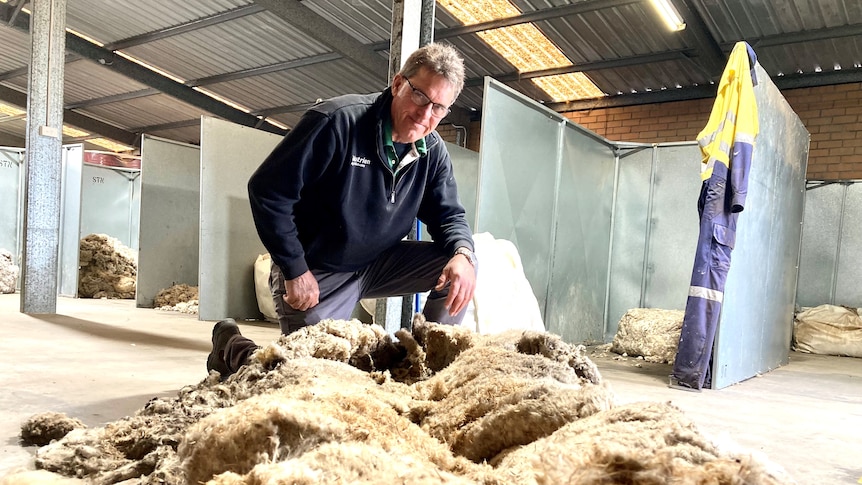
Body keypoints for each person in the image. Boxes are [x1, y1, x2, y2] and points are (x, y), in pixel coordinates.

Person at [207, 43, 477, 379]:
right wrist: (294, 269)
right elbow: (268, 190)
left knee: (459, 271)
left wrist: (464, 254)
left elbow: (449, 215)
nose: (425, 115)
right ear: (397, 84)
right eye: (420, 96)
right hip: (318, 269)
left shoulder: (432, 152)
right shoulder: (338, 123)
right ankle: (230, 348)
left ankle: (426, 370)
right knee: (310, 376)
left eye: (439, 107)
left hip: (379, 261)